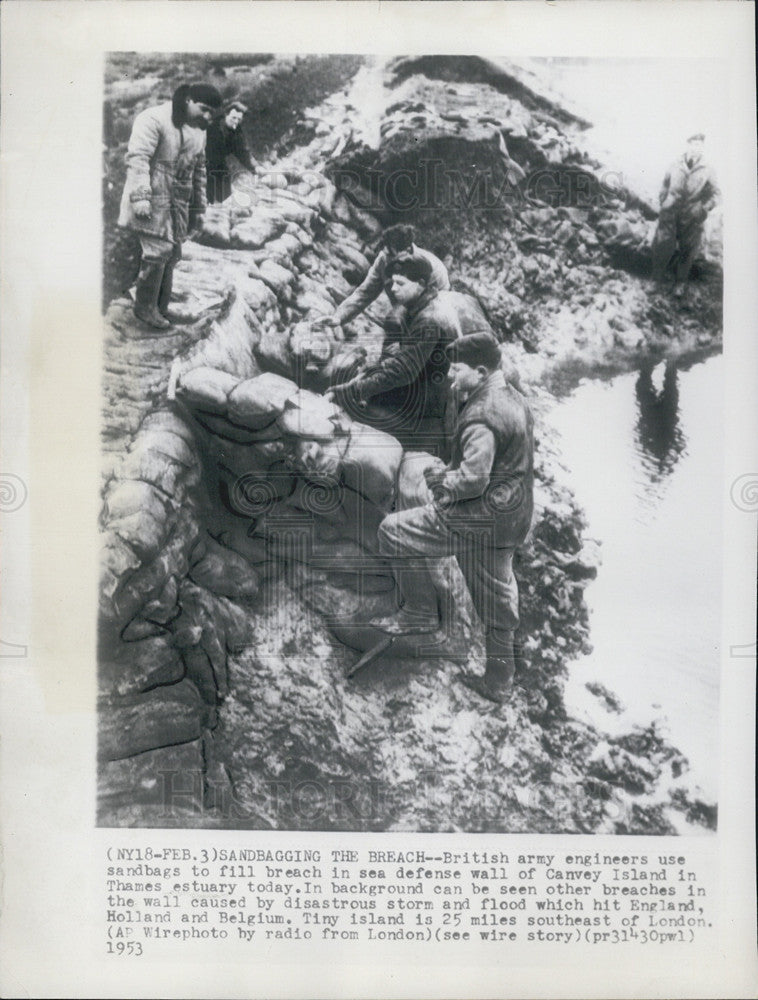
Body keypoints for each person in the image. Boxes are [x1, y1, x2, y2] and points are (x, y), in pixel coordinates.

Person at [374, 332, 534, 703]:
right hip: (511, 517)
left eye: (456, 369)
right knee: (497, 595)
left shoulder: (482, 415)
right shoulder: (515, 399)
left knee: (390, 532)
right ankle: (500, 681)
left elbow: (475, 478)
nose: (450, 376)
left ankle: (420, 611)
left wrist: (443, 480)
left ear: (480, 371)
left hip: (475, 519)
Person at [325, 256, 459, 453]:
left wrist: (353, 390)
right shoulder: (416, 305)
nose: (393, 289)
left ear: (421, 284)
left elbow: (402, 371)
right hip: (421, 373)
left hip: (430, 393)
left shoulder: (429, 319)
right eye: (393, 282)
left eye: (401, 283)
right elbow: (400, 357)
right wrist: (368, 374)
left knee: (362, 411)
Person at [117, 82, 223, 329]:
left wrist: (199, 208)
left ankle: (161, 307)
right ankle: (144, 308)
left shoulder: (199, 130)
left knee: (173, 252)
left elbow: (199, 170)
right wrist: (142, 196)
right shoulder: (153, 119)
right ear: (188, 100)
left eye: (212, 114)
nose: (207, 117)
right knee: (157, 252)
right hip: (153, 195)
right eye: (203, 109)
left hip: (179, 201)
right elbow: (138, 160)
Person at [320, 224, 450, 331]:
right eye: (386, 252)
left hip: (430, 317)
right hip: (401, 316)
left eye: (391, 254)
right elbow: (364, 293)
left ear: (408, 249)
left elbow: (439, 311)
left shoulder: (435, 270)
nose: (387, 259)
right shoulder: (384, 259)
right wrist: (338, 317)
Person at [650, 133, 720, 298]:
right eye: (693, 144)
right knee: (662, 244)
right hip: (670, 211)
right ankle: (655, 279)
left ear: (702, 148)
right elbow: (665, 183)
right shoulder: (675, 164)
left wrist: (703, 209)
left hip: (692, 215)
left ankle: (680, 283)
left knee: (687, 250)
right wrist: (664, 200)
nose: (696, 148)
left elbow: (716, 195)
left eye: (699, 145)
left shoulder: (708, 169)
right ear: (687, 145)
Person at [205, 100, 258, 204]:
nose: (236, 121)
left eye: (239, 119)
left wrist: (255, 167)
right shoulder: (211, 127)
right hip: (204, 165)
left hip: (220, 166)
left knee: (225, 197)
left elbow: (242, 151)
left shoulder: (236, 130)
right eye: (233, 118)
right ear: (226, 115)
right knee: (204, 199)